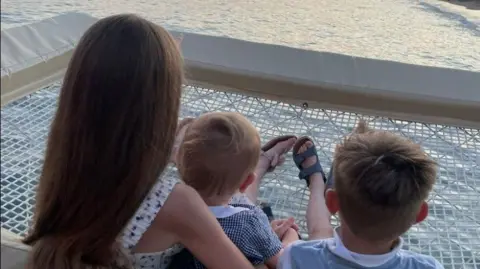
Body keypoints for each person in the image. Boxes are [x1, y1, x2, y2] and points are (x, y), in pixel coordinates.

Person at [21, 14, 289, 269]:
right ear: (160, 108)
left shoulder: (63, 173)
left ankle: (261, 167)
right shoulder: (174, 202)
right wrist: (269, 241)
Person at [278, 120, 444, 269]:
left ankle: (317, 182)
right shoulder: (429, 266)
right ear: (420, 214)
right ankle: (318, 182)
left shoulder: (297, 256)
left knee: (319, 234)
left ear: (332, 202)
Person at [166, 112, 300, 269]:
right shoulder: (248, 223)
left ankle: (262, 163)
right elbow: (284, 263)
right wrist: (291, 236)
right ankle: (261, 163)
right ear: (245, 184)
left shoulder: (170, 204)